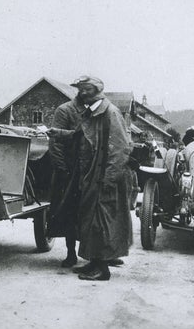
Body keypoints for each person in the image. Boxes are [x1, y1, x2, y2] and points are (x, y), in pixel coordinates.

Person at [48, 75, 132, 281]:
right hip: (90, 175)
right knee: (90, 220)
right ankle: (94, 262)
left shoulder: (110, 113)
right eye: (80, 89)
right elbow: (79, 136)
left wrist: (109, 180)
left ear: (96, 91)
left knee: (101, 221)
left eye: (85, 89)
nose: (81, 93)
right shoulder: (92, 113)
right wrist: (57, 133)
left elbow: (120, 148)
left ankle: (102, 269)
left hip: (103, 176)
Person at [47, 80, 86, 267]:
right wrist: (62, 170)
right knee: (69, 214)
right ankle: (71, 254)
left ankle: (96, 254)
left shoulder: (92, 112)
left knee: (89, 214)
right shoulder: (65, 110)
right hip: (69, 172)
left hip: (87, 172)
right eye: (84, 91)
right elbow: (55, 143)